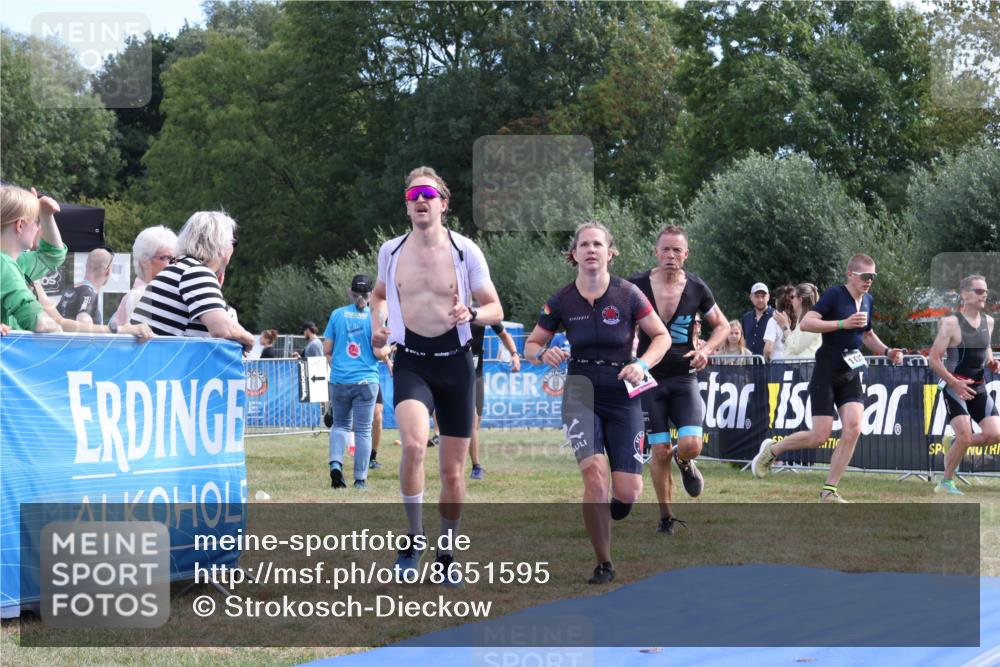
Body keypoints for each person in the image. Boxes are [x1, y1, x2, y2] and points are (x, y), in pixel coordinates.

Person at [370, 166, 504, 583]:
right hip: (412, 359)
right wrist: (379, 325)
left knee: (452, 472)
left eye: (428, 194)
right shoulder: (390, 252)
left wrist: (474, 313)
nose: (421, 200)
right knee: (412, 446)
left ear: (443, 203)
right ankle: (412, 542)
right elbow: (378, 297)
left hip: (456, 363)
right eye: (413, 196)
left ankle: (446, 554)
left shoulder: (466, 251)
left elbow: (496, 308)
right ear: (407, 205)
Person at [525, 221, 669, 584]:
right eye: (584, 245)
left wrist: (641, 364)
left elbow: (662, 338)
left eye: (597, 244)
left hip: (622, 395)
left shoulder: (629, 294)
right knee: (594, 474)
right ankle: (604, 563)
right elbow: (531, 345)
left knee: (627, 490)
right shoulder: (561, 300)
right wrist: (545, 354)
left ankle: (615, 506)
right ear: (573, 254)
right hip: (580, 392)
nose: (591, 250)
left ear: (610, 252)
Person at [752, 254, 904, 502]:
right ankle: (773, 449)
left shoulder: (868, 301)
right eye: (865, 276)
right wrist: (843, 323)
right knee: (819, 436)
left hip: (851, 370)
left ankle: (829, 490)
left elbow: (867, 334)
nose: (869, 281)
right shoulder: (835, 294)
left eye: (872, 277)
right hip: (826, 369)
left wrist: (887, 351)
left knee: (853, 429)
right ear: (851, 275)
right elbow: (808, 323)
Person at [630, 225, 730, 535]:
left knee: (691, 444)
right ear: (655, 251)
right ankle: (666, 517)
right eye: (666, 249)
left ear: (686, 254)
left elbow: (723, 326)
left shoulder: (698, 288)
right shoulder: (635, 285)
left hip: (684, 378)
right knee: (659, 451)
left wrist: (707, 349)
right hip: (648, 380)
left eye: (677, 250)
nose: (671, 255)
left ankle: (685, 462)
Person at [131, 211, 255, 352]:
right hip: (162, 368)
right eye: (234, 242)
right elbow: (223, 329)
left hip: (149, 364)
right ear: (222, 246)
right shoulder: (194, 272)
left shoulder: (179, 268)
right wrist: (250, 340)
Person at [928, 275, 1000, 495]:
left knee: (995, 435)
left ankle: (953, 443)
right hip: (954, 386)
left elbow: (985, 347)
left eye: (985, 291)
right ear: (965, 295)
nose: (984, 295)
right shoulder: (951, 323)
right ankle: (946, 482)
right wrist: (954, 383)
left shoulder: (989, 321)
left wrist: (991, 362)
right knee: (966, 437)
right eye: (978, 291)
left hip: (978, 386)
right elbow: (933, 359)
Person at [324, 274, 388, 490]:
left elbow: (327, 350)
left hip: (339, 380)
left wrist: (340, 368)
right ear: (371, 295)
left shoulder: (336, 315)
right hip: (366, 381)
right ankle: (360, 479)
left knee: (340, 425)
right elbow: (379, 353)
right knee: (362, 431)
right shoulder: (375, 318)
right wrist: (390, 349)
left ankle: (336, 464)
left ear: (350, 293)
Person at [1, 185, 65, 332]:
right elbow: (37, 321)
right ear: (20, 225)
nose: (39, 229)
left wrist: (45, 215)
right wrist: (62, 338)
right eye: (37, 222)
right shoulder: (4, 264)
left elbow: (53, 255)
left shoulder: (16, 262)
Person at [469, 317, 521, 480]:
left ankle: (468, 460)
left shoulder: (481, 313)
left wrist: (514, 354)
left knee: (477, 422)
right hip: (457, 374)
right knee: (472, 420)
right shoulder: (450, 312)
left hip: (477, 373)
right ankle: (476, 466)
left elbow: (504, 334)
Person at [110, 226, 177, 328]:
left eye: (173, 258)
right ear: (144, 262)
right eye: (163, 258)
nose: (171, 264)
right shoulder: (140, 296)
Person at [56, 247, 113, 323]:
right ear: (108, 271)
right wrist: (104, 331)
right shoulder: (90, 292)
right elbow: (83, 320)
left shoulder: (71, 290)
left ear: (86, 266)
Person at [776, 282, 822, 360]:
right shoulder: (802, 319)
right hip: (801, 366)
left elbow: (795, 348)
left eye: (792, 297)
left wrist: (785, 327)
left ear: (800, 299)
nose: (791, 300)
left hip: (807, 367)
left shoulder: (810, 321)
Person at [741, 282, 774, 356]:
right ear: (751, 297)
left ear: (768, 297)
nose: (760, 300)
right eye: (757, 296)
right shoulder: (746, 318)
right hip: (749, 364)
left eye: (763, 296)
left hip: (770, 365)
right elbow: (743, 341)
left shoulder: (776, 316)